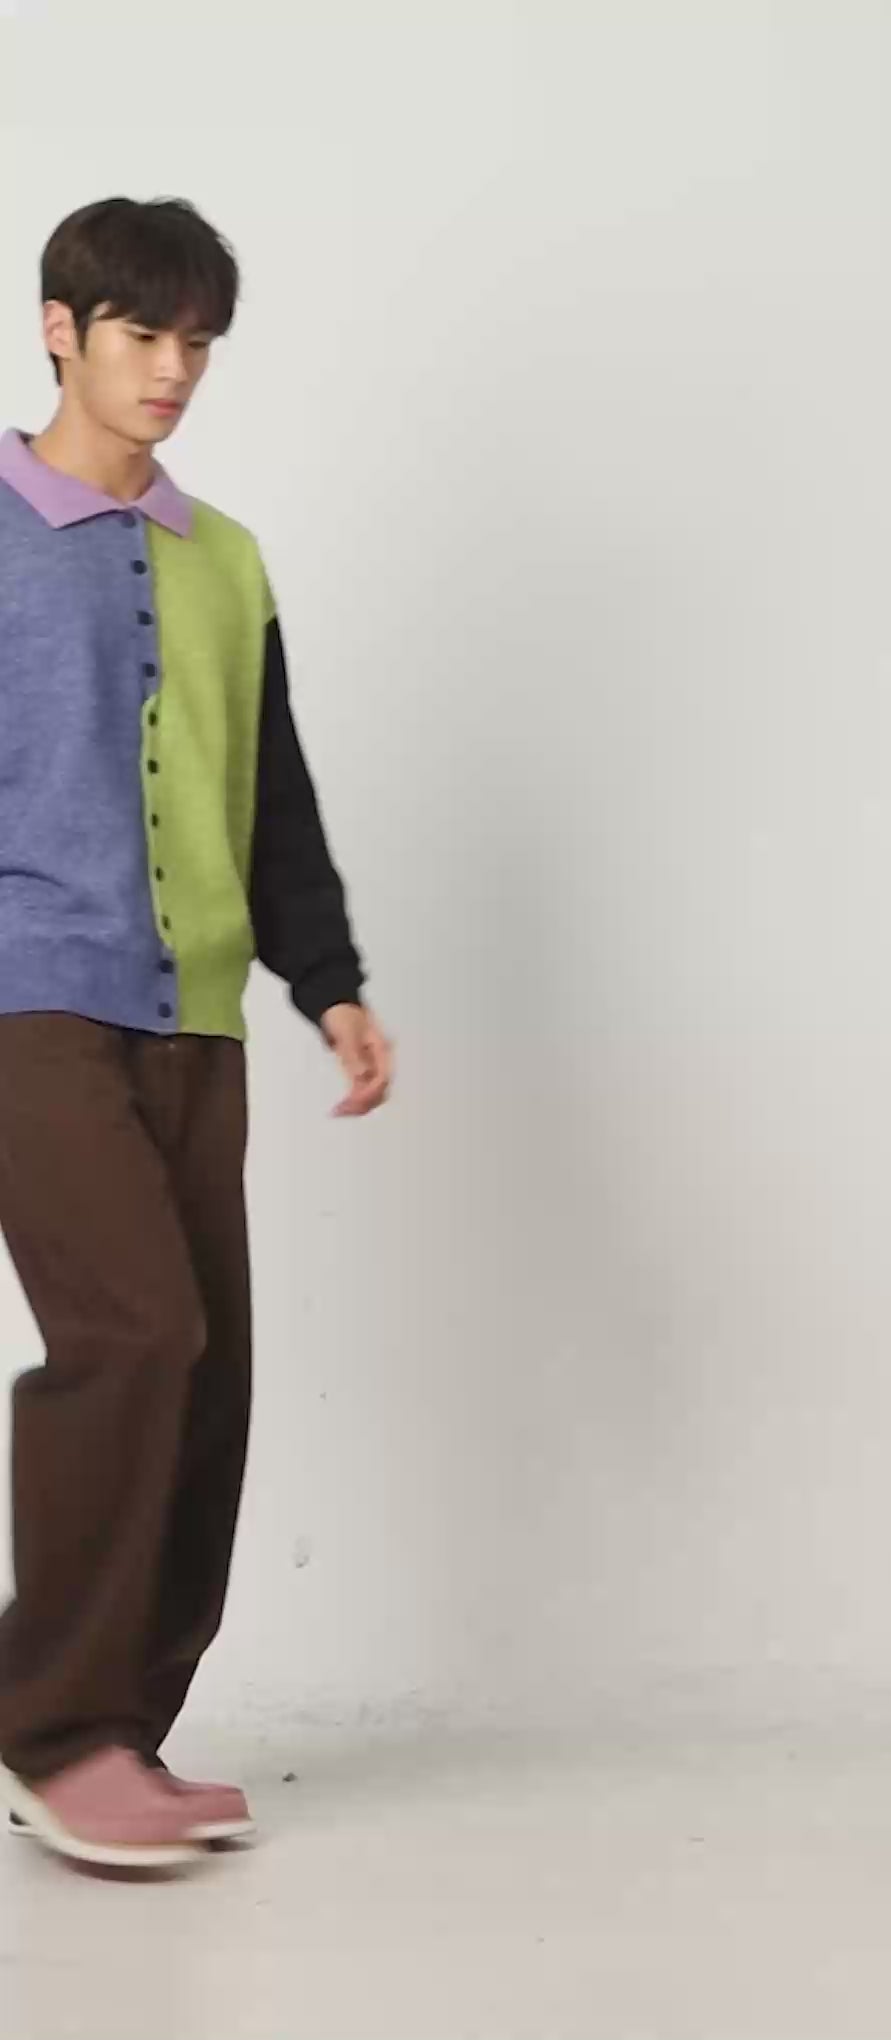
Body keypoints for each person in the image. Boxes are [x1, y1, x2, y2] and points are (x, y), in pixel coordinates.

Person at [0, 195, 393, 1869]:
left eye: (199, 343)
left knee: (208, 1371)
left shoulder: (224, 559)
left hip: (198, 1011)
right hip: (29, 995)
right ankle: (49, 1729)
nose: (173, 368)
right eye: (143, 333)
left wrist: (331, 980)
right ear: (60, 330)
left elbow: (269, 789)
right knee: (134, 1333)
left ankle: (121, 1731)